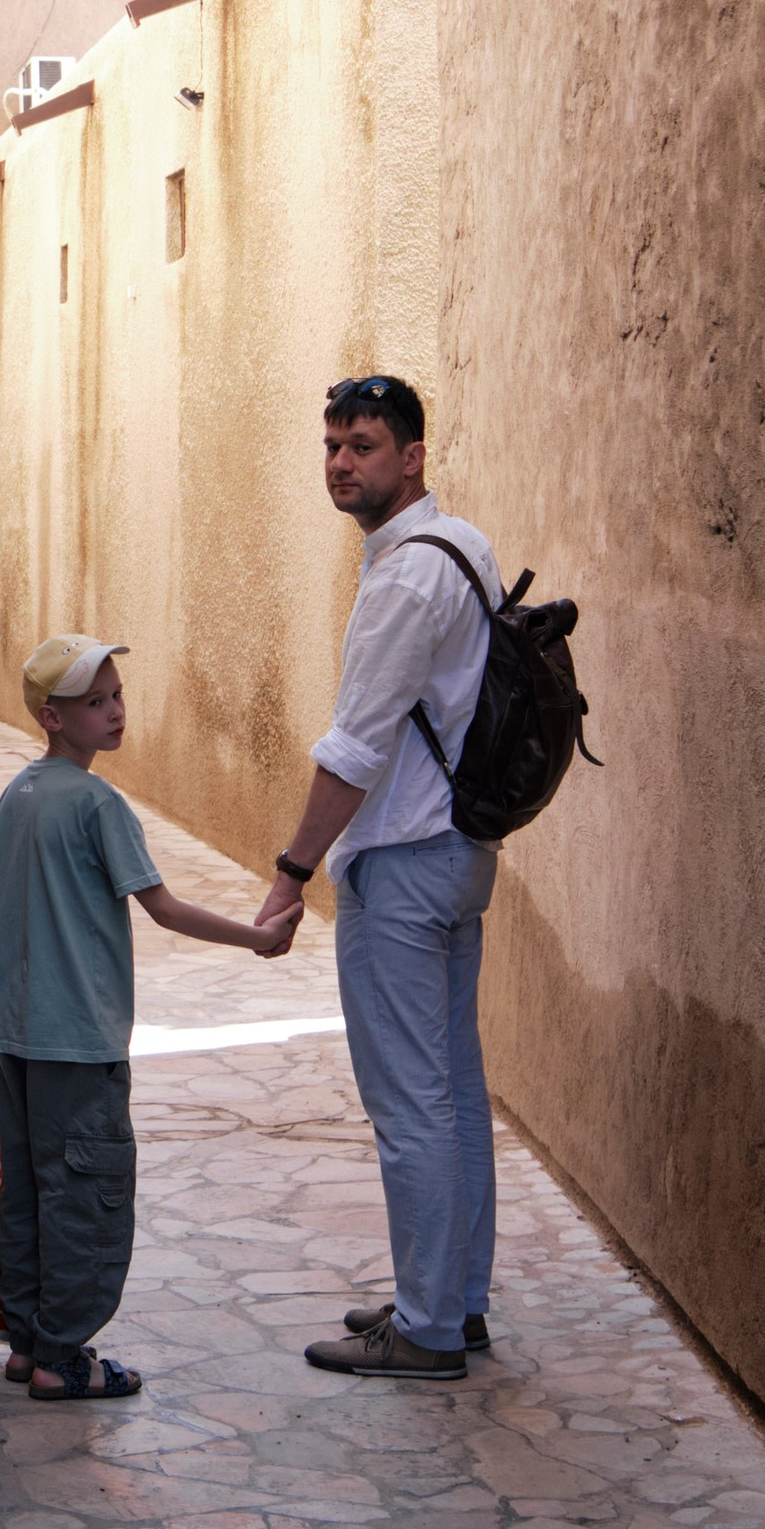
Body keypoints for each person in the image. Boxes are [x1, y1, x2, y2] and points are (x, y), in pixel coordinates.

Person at [0, 633, 298, 1402]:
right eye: (95, 703)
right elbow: (164, 909)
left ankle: (26, 1345)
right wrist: (257, 938)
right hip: (79, 1039)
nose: (116, 712)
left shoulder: (17, 794)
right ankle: (64, 1359)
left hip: (17, 1035)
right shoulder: (97, 803)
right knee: (85, 1197)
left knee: (29, 1192)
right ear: (52, 718)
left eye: (116, 694)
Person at [255, 373, 497, 1384]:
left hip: (402, 862)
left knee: (411, 1105)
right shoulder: (461, 547)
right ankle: (450, 1302)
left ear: (412, 457)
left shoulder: (405, 579)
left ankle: (429, 1329)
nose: (341, 463)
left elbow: (354, 748)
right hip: (457, 852)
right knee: (451, 1093)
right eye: (331, 445)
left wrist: (289, 875)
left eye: (362, 445)